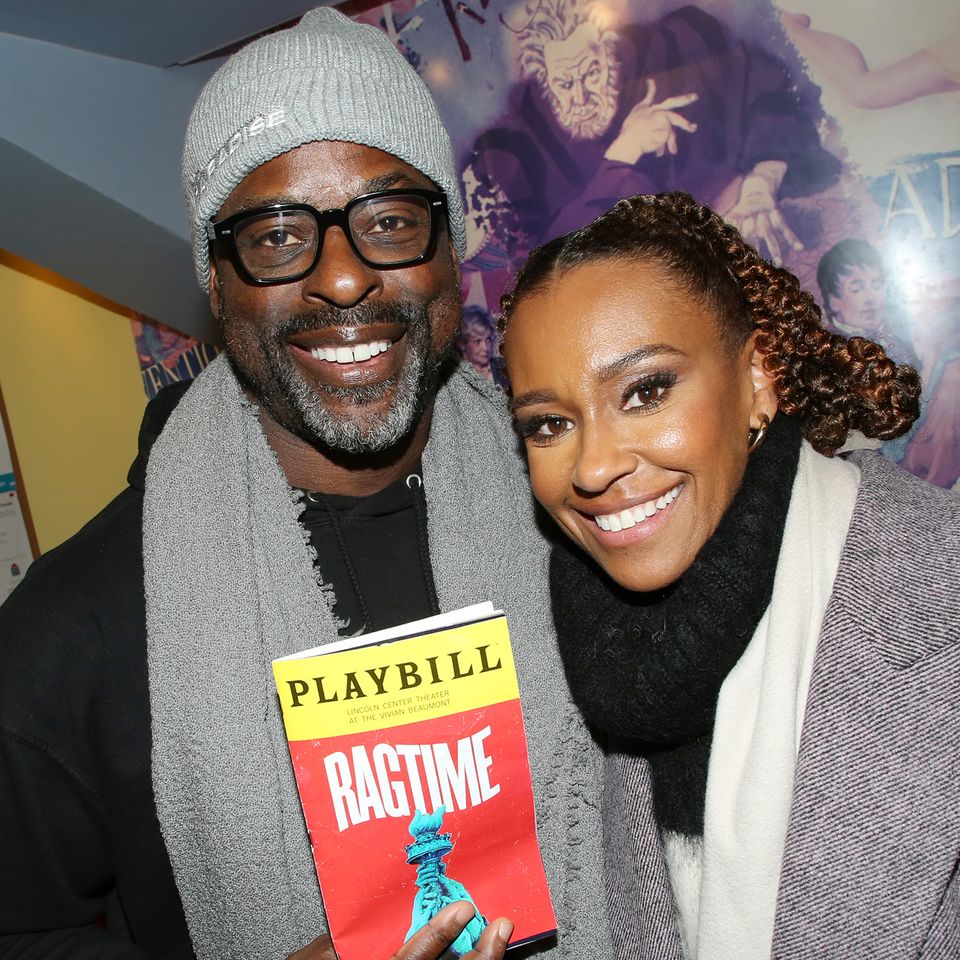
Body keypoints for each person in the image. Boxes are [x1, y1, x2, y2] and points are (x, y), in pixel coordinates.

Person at [0, 9, 611, 959]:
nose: (341, 277)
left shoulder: (588, 514)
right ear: (215, 277)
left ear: (452, 250)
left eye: (391, 220)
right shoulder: (84, 625)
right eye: (279, 235)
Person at [498, 192, 959, 958]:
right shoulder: (591, 650)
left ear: (758, 382)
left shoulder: (936, 595)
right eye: (549, 424)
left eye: (645, 391)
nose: (595, 465)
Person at [462, 0, 840, 267]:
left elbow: (769, 92)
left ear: (609, 54)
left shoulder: (679, 43)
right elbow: (553, 257)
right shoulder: (518, 144)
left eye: (591, 74)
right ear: (544, 82)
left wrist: (764, 175)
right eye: (565, 83)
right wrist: (623, 153)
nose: (582, 97)